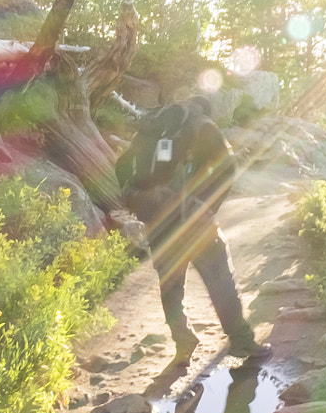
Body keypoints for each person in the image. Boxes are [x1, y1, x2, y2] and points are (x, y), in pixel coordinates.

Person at [114, 94, 269, 365]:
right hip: (193, 221)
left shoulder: (154, 127)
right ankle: (242, 342)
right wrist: (207, 206)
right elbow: (228, 168)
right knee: (220, 279)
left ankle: (183, 342)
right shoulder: (204, 125)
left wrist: (137, 197)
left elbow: (122, 165)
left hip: (156, 219)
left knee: (171, 284)